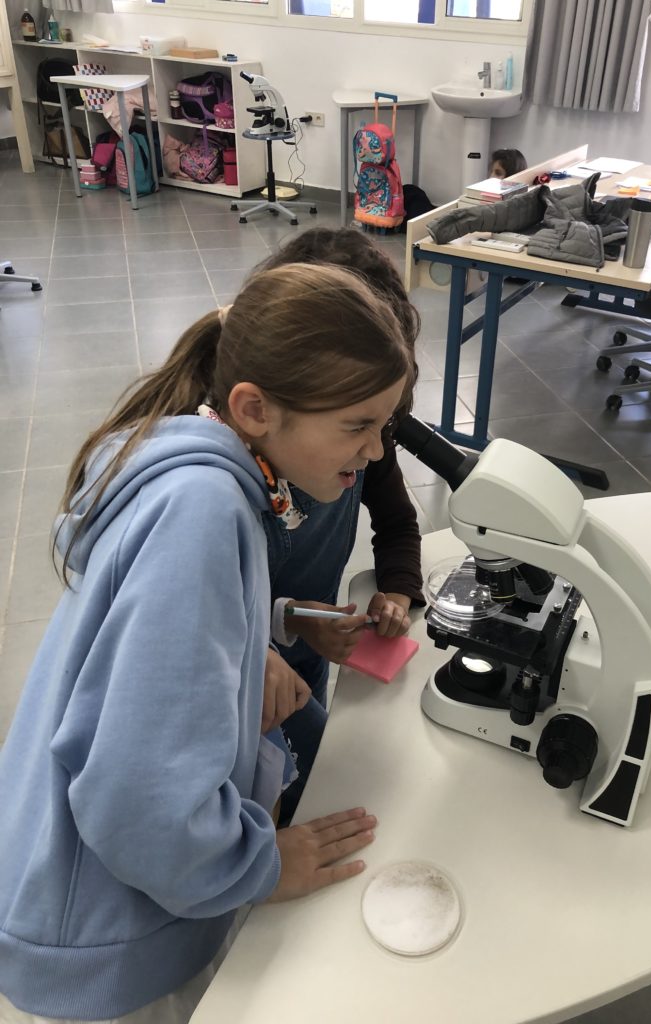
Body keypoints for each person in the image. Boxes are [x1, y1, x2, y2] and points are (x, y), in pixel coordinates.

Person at [0, 263, 416, 1024]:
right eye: (357, 425)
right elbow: (135, 801)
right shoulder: (206, 506)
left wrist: (281, 622)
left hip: (75, 892)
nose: (378, 452)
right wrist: (258, 864)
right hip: (111, 947)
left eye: (383, 426)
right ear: (256, 410)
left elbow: (151, 621)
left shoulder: (189, 464)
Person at [249, 229, 426, 823]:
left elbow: (399, 523)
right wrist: (260, 641)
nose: (374, 452)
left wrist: (396, 589)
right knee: (279, 796)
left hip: (305, 647)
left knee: (317, 781)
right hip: (243, 670)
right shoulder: (219, 486)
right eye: (358, 427)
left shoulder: (358, 440)